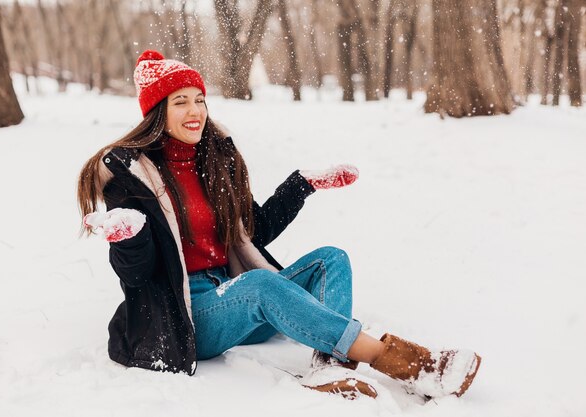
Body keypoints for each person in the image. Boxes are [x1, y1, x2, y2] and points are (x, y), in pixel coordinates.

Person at [77, 50, 481, 400]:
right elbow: (138, 274)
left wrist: (301, 185)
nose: (196, 111)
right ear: (156, 112)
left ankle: (330, 366)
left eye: (200, 99)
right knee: (260, 285)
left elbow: (253, 233)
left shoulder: (215, 160)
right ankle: (406, 363)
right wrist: (128, 238)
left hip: (235, 295)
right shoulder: (132, 176)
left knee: (330, 260)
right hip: (189, 316)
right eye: (180, 101)